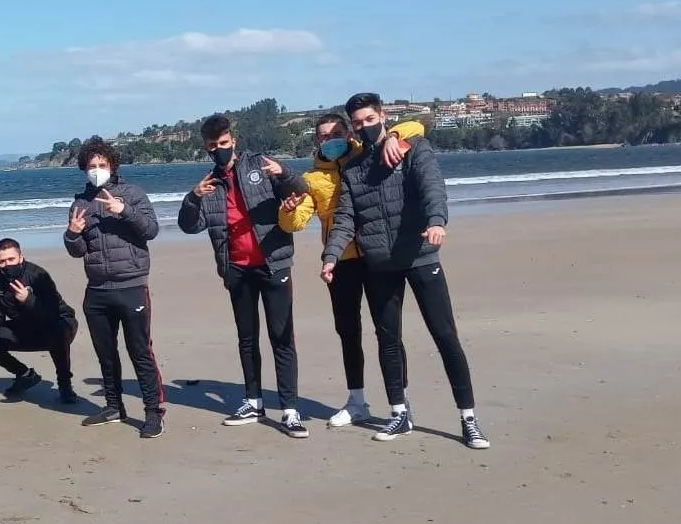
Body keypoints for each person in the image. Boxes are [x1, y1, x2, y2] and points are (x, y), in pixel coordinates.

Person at [321, 92, 490, 449]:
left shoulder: (413, 148)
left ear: (382, 115)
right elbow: (346, 217)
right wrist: (332, 255)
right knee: (388, 340)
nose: (365, 127)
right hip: (380, 263)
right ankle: (400, 413)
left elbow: (433, 188)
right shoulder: (353, 168)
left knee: (445, 336)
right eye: (358, 123)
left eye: (370, 119)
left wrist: (437, 221)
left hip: (420, 256)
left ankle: (468, 419)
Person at [279, 112, 425, 427]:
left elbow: (417, 126)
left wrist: (397, 139)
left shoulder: (372, 156)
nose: (329, 140)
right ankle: (356, 401)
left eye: (335, 133)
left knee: (388, 332)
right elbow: (296, 222)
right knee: (348, 332)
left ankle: (401, 402)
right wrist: (287, 211)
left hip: (377, 256)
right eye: (323, 136)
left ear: (348, 133)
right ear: (316, 140)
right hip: (341, 261)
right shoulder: (313, 179)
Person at [178, 115, 309, 438]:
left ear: (232, 140)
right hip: (236, 269)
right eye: (212, 146)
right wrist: (193, 197)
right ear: (206, 148)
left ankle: (290, 410)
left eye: (223, 143)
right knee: (247, 338)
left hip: (273, 264)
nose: (219, 149)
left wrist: (286, 173)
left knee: (281, 336)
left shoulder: (260, 165)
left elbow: (301, 191)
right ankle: (253, 401)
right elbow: (189, 225)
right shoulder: (208, 184)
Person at [63, 139, 167, 438]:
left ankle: (153, 412)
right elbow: (77, 251)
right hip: (96, 289)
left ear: (113, 166)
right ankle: (113, 406)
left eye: (102, 165)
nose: (97, 171)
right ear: (84, 169)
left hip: (131, 284)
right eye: (92, 166)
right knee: (105, 353)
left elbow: (151, 230)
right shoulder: (80, 204)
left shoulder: (132, 194)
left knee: (139, 350)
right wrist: (72, 234)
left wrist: (124, 211)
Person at [0, 238, 80, 405]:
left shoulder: (38, 275)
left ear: (21, 257)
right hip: (26, 328)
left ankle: (65, 384)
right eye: (2, 261)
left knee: (57, 329)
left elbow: (53, 312)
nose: (7, 264)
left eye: (11, 259)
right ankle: (24, 374)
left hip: (59, 324)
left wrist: (29, 300)